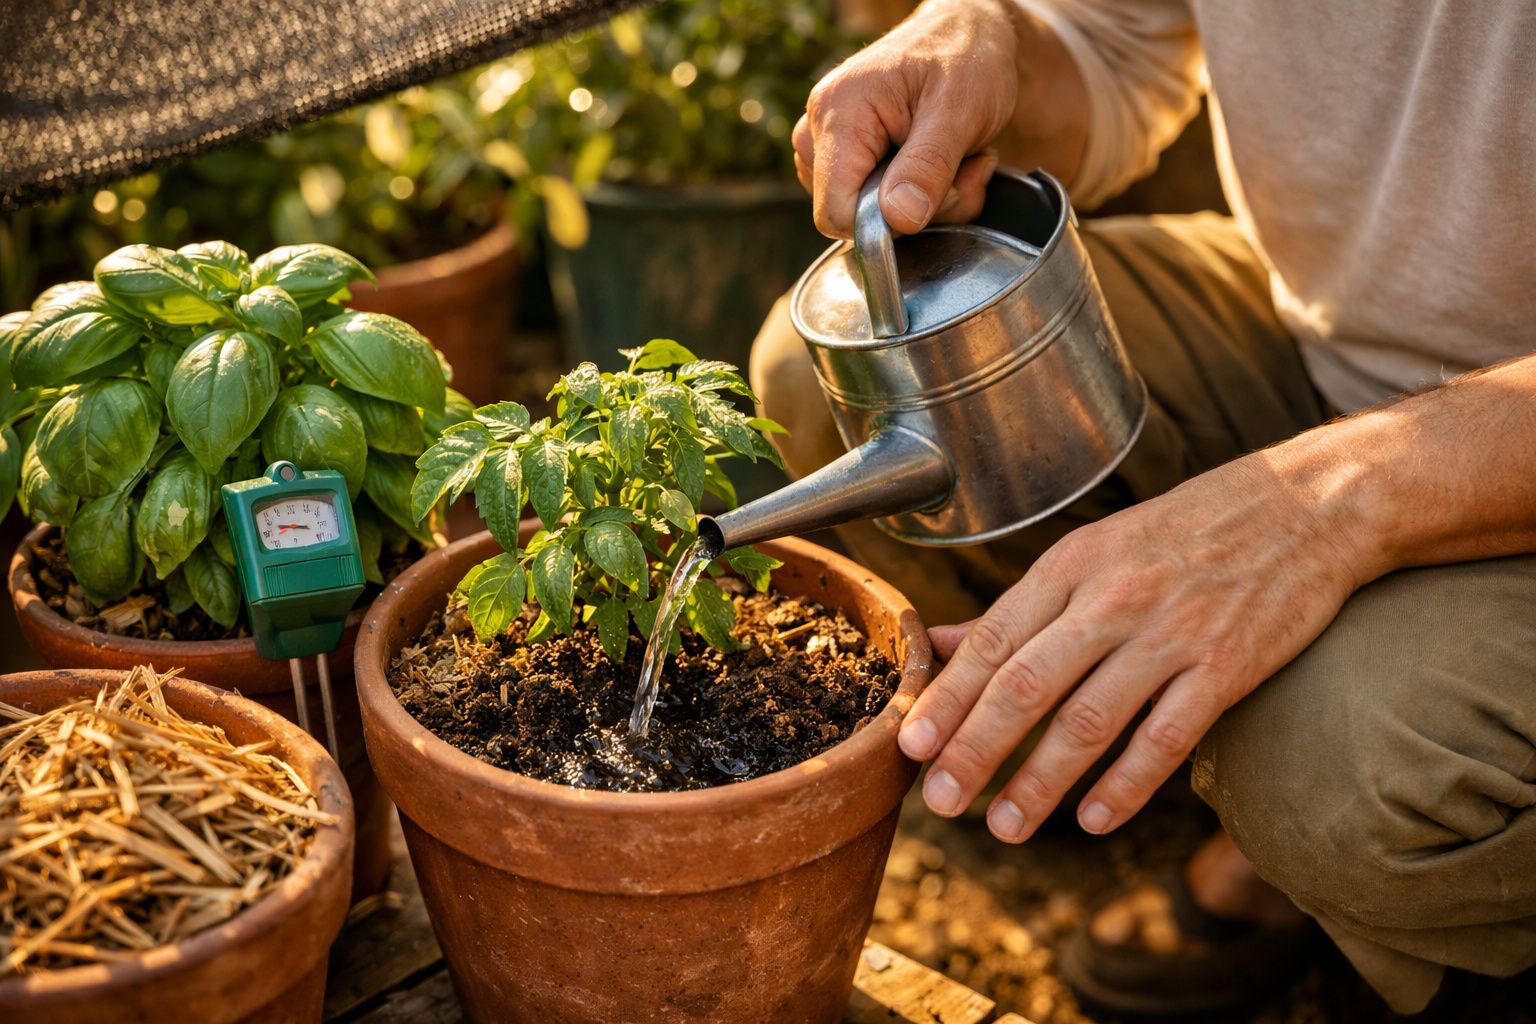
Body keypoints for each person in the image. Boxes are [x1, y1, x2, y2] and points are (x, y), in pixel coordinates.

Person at [750, 0, 1536, 1015]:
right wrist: (995, 47)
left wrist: (1321, 505)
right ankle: (1215, 789)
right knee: (843, 393)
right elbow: (1120, 48)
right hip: (1323, 331)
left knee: (1332, 773)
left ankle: (1309, 826)